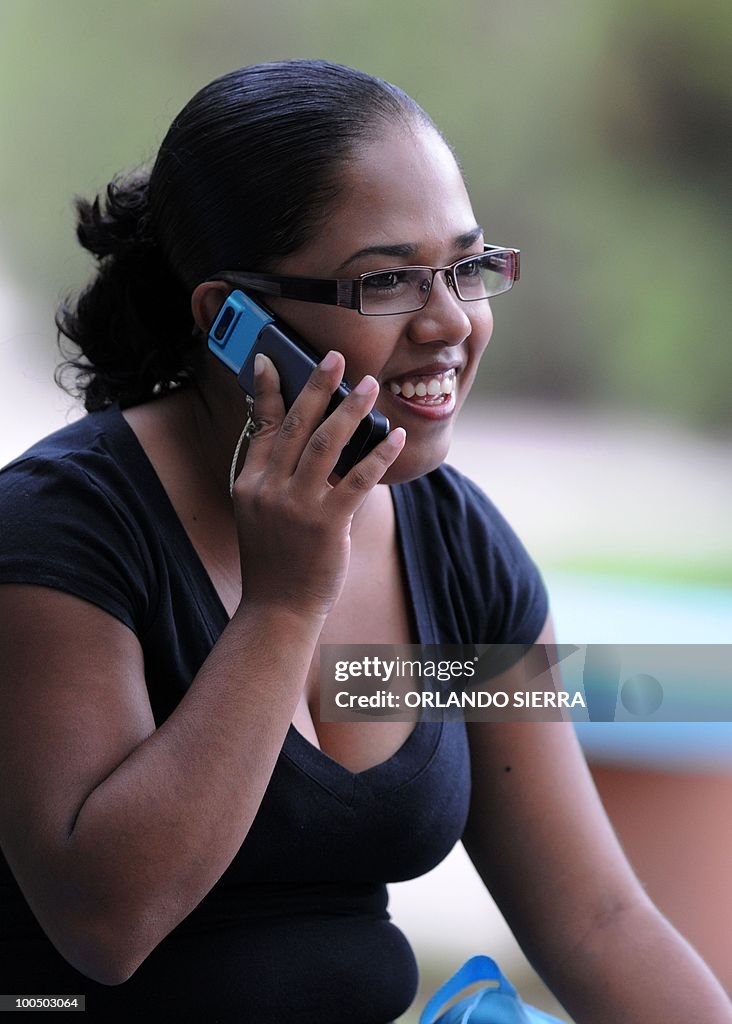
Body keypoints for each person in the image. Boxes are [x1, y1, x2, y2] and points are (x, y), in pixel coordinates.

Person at [0, 60, 728, 1024]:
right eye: (386, 281)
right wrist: (283, 605)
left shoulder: (455, 542)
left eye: (468, 268)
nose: (452, 322)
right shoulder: (63, 530)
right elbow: (107, 923)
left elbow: (596, 921)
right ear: (231, 321)